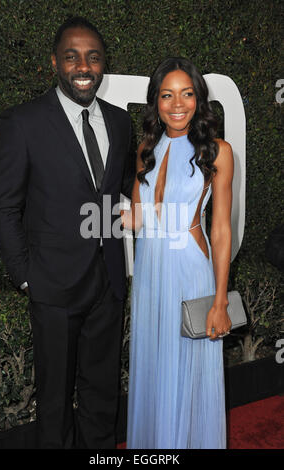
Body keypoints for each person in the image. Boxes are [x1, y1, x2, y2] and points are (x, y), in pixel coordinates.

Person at [0, 17, 134, 449]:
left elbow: (122, 183)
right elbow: (4, 205)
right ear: (55, 62)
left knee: (102, 392)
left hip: (107, 282)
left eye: (93, 57)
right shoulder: (24, 122)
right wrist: (26, 276)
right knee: (54, 401)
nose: (84, 66)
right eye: (72, 56)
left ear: (103, 63)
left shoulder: (119, 121)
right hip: (51, 286)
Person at [123, 57, 233, 449]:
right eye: (167, 95)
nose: (177, 104)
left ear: (198, 99)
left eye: (186, 93)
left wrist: (220, 299)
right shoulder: (145, 148)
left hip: (190, 270)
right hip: (151, 271)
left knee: (187, 372)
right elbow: (138, 217)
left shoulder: (218, 151)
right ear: (155, 102)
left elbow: (220, 230)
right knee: (155, 369)